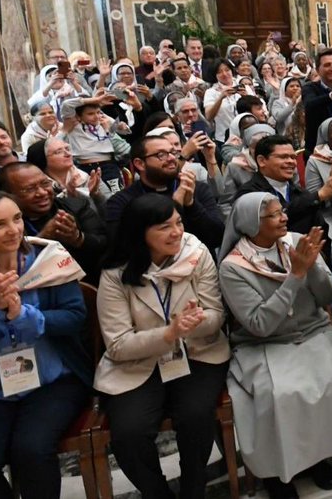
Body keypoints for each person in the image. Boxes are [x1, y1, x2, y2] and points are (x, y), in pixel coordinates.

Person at [218, 193, 332, 498]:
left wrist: (312, 268)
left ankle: (317, 458)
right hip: (265, 344)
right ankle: (276, 475)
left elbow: (325, 297)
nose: (284, 217)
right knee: (279, 395)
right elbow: (259, 324)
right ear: (251, 224)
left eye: (282, 211)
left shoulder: (297, 242)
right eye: (274, 215)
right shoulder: (233, 267)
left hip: (311, 331)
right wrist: (295, 275)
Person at [0, 190, 93, 499]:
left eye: (17, 219)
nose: (14, 230)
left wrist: (25, 315)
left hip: (53, 380)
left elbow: (74, 318)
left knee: (31, 450)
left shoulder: (49, 260)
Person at [93, 195, 230, 499]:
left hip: (197, 353)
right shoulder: (116, 273)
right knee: (129, 433)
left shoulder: (196, 253)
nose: (177, 232)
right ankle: (157, 493)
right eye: (164, 227)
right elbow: (117, 344)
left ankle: (194, 489)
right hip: (138, 363)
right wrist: (168, 333)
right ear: (139, 232)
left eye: (179, 223)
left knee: (195, 415)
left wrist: (196, 322)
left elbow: (215, 314)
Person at [0, 162, 108, 286]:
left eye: (45, 183)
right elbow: (3, 265)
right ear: (8, 195)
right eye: (30, 189)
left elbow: (105, 245)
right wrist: (42, 238)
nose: (42, 192)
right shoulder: (0, 224)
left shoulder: (76, 207)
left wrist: (77, 238)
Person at [106, 136, 226, 252]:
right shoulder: (121, 201)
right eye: (161, 155)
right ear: (140, 164)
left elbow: (217, 238)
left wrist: (191, 205)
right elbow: (118, 247)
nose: (171, 158)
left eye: (173, 152)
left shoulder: (196, 189)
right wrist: (175, 205)